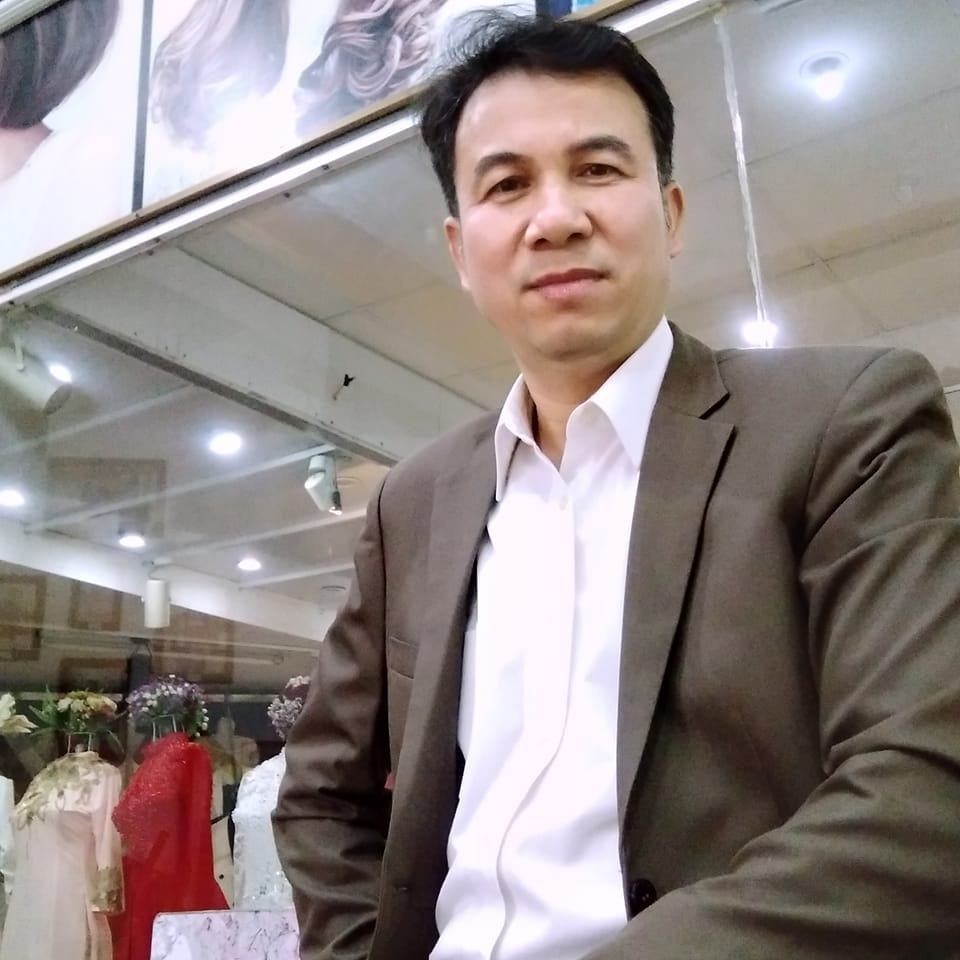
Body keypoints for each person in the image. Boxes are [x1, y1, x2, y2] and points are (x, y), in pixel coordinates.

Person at [273, 12, 960, 960]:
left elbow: (926, 781)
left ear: (670, 214)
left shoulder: (844, 422)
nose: (556, 217)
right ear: (461, 251)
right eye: (507, 184)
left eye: (597, 169)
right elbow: (320, 795)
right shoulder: (415, 501)